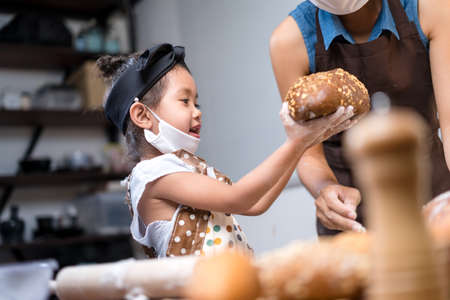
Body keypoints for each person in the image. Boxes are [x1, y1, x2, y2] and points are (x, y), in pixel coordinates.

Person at [98, 43, 356, 258]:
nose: (197, 111)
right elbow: (238, 198)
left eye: (197, 102)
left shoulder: (185, 169)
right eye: (185, 100)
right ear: (142, 115)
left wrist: (306, 144)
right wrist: (296, 143)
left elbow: (255, 205)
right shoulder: (152, 175)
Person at [269, 0, 450, 236]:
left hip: (434, 199)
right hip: (353, 219)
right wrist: (326, 189)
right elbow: (307, 152)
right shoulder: (289, 42)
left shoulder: (429, 8)